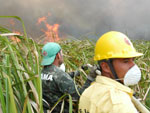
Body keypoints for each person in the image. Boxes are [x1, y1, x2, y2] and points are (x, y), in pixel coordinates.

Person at [78, 31, 143, 113]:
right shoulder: (120, 104)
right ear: (105, 67)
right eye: (126, 61)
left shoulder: (87, 92)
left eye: (133, 60)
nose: (133, 66)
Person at [41, 42, 94, 113]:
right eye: (61, 53)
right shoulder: (60, 75)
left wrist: (79, 71)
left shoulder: (40, 73)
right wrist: (90, 78)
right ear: (58, 55)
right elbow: (79, 96)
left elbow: (58, 78)